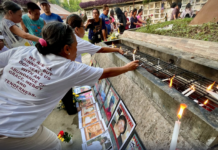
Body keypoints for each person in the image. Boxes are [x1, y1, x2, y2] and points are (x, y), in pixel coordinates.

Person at [0, 22, 139, 149]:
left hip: (9, 123)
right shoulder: (68, 68)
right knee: (53, 145)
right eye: (76, 47)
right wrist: (126, 68)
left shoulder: (22, 52)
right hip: (14, 131)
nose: (77, 50)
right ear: (67, 48)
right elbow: (104, 73)